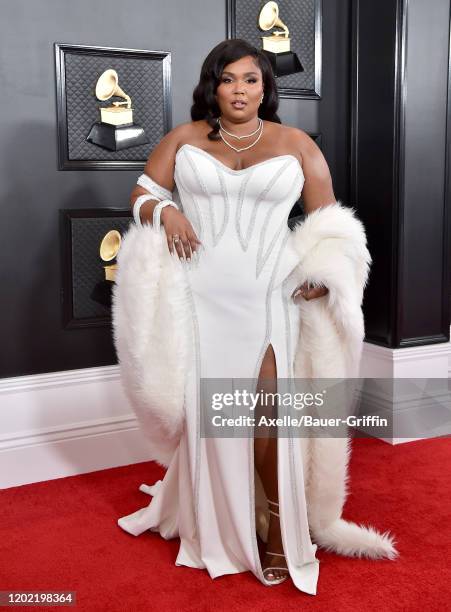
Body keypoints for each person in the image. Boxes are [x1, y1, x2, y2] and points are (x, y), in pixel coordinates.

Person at [113, 39, 397, 596]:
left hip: (272, 295)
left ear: (265, 85)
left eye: (250, 79)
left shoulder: (296, 144)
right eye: (228, 79)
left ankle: (273, 527)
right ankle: (216, 521)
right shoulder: (185, 138)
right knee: (211, 414)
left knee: (267, 411)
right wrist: (166, 210)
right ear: (211, 85)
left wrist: (328, 272)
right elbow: (142, 192)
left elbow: (333, 222)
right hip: (199, 298)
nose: (239, 90)